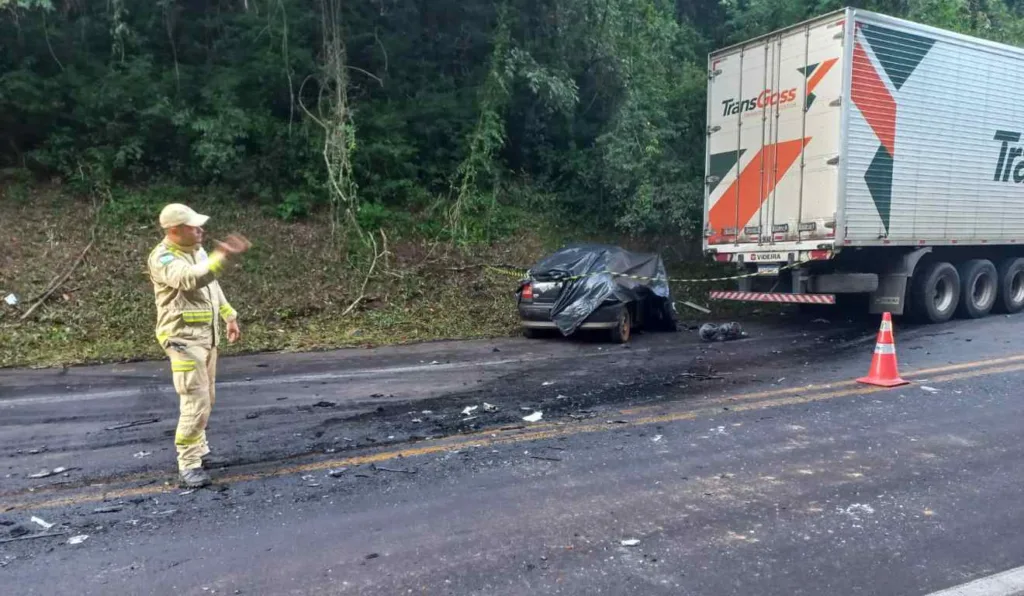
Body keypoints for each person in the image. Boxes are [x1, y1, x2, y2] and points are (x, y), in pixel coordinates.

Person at [147, 203, 251, 488]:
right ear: (174, 231)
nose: (200, 230)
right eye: (193, 227)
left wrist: (229, 315)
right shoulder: (163, 258)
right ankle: (189, 463)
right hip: (182, 338)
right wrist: (222, 256)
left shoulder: (197, 251)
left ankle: (199, 450)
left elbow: (211, 286)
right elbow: (191, 279)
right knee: (195, 401)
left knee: (207, 397)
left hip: (205, 336)